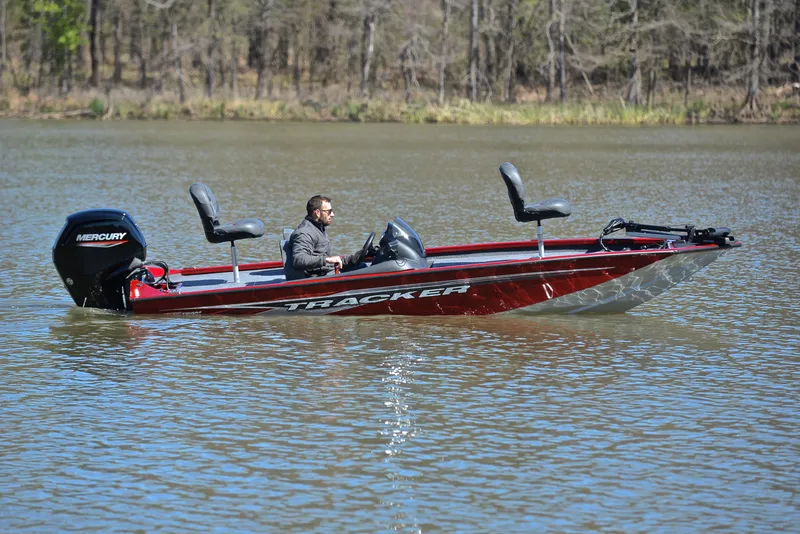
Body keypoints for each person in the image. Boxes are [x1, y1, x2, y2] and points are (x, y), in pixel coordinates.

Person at [284, 195, 359, 281]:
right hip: (315, 281)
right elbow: (299, 259)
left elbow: (327, 260)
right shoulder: (304, 232)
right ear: (317, 213)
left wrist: (355, 257)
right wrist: (327, 260)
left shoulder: (318, 228)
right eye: (329, 211)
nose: (333, 214)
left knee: (361, 265)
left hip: (325, 272)